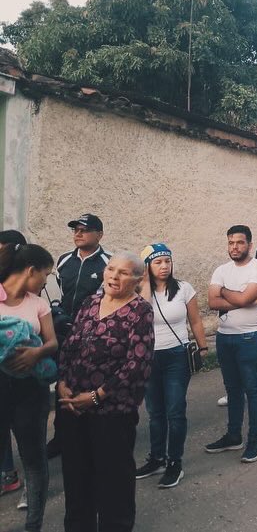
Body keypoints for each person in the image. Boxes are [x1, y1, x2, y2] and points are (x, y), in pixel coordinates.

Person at [57, 251, 154, 532]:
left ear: (137, 279)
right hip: (73, 405)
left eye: (123, 272)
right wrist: (63, 382)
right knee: (76, 479)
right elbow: (71, 344)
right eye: (111, 269)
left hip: (112, 412)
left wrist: (97, 396)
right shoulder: (90, 302)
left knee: (113, 482)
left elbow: (137, 364)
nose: (114, 275)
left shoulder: (140, 311)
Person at [135, 244, 208, 489]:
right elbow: (140, 318)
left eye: (167, 261)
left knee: (175, 410)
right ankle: (156, 458)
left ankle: (174, 462)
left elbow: (196, 320)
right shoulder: (137, 291)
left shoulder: (184, 289)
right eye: (157, 262)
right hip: (148, 358)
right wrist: (144, 283)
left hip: (177, 356)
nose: (164, 266)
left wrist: (203, 347)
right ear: (147, 266)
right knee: (155, 412)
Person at [0, 243, 58, 531]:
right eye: (45, 274)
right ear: (31, 270)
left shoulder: (38, 303)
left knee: (34, 460)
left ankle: (33, 525)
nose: (46, 281)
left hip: (31, 392)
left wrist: (37, 353)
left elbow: (52, 342)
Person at [205, 225, 257, 462]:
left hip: (250, 336)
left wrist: (227, 293)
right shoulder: (221, 269)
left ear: (250, 245)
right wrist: (244, 300)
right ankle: (234, 436)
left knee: (253, 389)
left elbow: (244, 297)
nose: (235, 247)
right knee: (232, 389)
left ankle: (256, 441)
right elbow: (213, 302)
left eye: (240, 242)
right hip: (225, 336)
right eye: (231, 242)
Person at [49, 214, 111, 459]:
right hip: (64, 334)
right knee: (62, 384)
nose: (78, 233)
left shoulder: (108, 262)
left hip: (92, 336)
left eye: (84, 230)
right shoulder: (64, 260)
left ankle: (92, 436)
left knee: (91, 385)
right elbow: (57, 293)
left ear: (99, 235)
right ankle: (61, 437)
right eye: (75, 229)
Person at [0, 229, 28, 502]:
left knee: (25, 427)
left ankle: (32, 486)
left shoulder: (28, 282)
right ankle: (8, 474)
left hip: (22, 367)